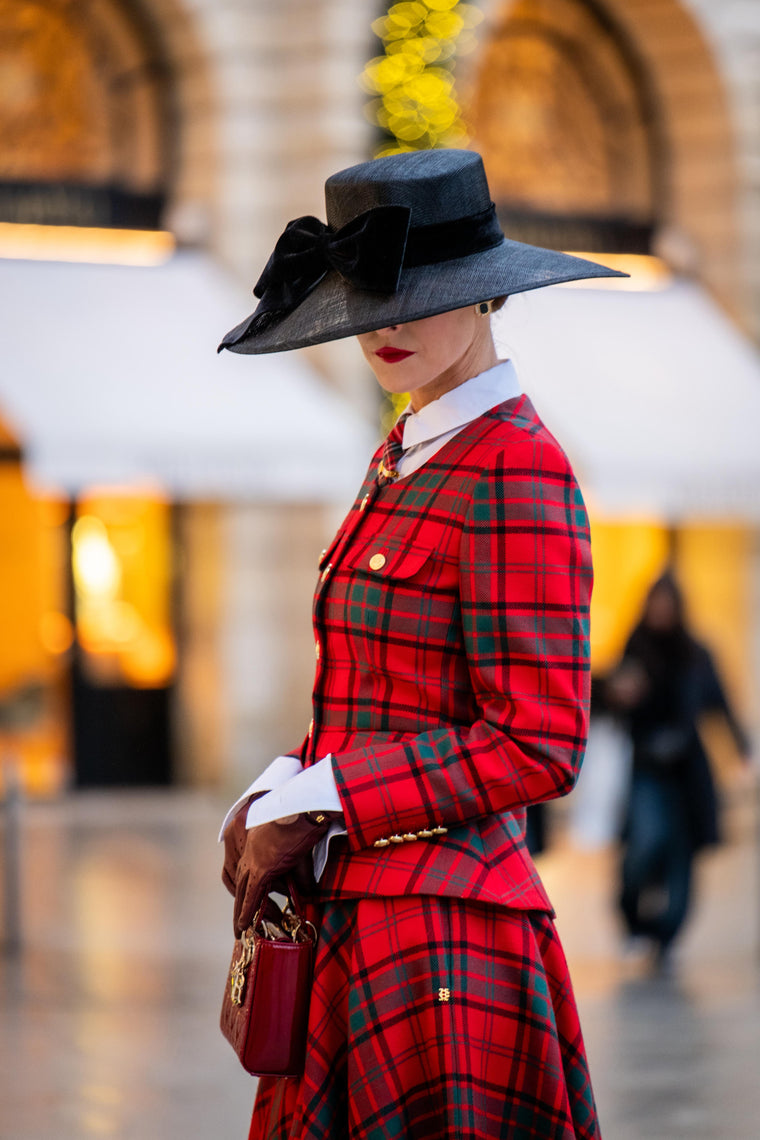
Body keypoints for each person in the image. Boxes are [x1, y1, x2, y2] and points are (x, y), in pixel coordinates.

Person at [217, 148, 623, 1140]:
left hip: (449, 937)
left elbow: (537, 742)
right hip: (359, 916)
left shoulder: (516, 467)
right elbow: (384, 687)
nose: (384, 326)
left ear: (486, 298)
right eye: (367, 294)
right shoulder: (406, 445)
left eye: (418, 294)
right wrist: (294, 772)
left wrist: (335, 793)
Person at [600, 571, 752, 970]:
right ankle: (634, 921)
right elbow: (602, 694)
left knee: (682, 864)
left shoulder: (697, 653)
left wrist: (741, 748)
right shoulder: (635, 649)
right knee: (645, 847)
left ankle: (665, 937)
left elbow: (720, 703)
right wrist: (618, 694)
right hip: (648, 769)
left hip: (688, 774)